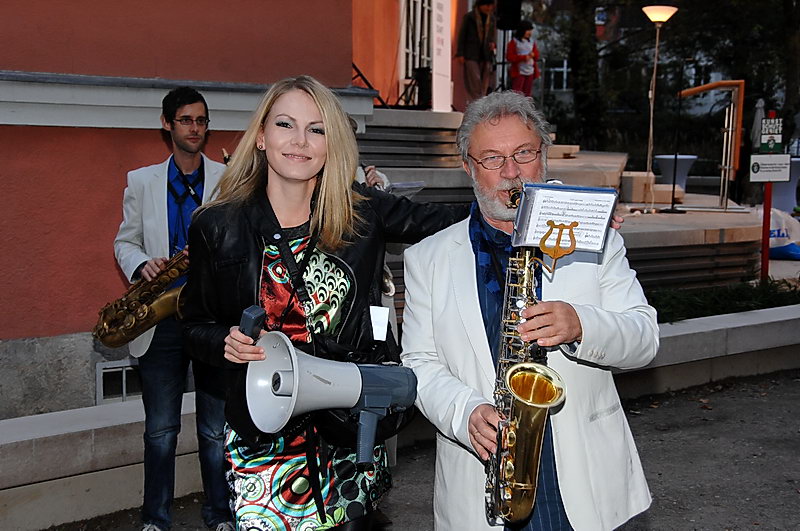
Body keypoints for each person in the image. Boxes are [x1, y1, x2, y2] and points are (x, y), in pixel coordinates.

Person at [180, 75, 465, 530]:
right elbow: (194, 326)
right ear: (261, 136)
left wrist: (533, 205)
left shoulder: (363, 211)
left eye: (316, 129)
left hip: (348, 428)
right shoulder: (216, 225)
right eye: (285, 124)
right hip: (263, 433)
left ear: (332, 144)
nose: (300, 141)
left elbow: (455, 221)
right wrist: (225, 343)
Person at [400, 91, 659, 530]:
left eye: (524, 153)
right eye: (492, 158)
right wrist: (465, 412)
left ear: (544, 155)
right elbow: (419, 363)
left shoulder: (594, 236)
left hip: (586, 486)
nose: (511, 172)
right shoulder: (427, 258)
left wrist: (582, 325)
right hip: (482, 481)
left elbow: (645, 339)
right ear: (467, 166)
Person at [113, 87, 232, 531]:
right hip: (161, 320)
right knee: (160, 431)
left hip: (212, 318)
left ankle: (219, 514)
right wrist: (142, 263)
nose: (195, 128)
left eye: (201, 120)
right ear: (167, 124)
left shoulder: (228, 179)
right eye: (186, 120)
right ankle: (155, 520)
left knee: (215, 431)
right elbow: (124, 241)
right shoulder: (142, 181)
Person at [456, 0, 497, 103]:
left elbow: (493, 35)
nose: (489, 8)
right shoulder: (469, 17)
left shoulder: (492, 19)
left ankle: (481, 103)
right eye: (487, 5)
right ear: (480, 5)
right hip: (471, 53)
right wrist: (460, 53)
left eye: (491, 6)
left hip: (486, 54)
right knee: (474, 80)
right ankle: (475, 103)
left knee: (485, 82)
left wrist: (493, 44)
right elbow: (462, 35)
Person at [506, 20, 540, 98]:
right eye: (527, 30)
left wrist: (533, 55)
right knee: (517, 91)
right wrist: (523, 57)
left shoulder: (531, 42)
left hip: (530, 70)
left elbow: (536, 55)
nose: (529, 33)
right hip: (519, 71)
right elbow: (510, 57)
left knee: (527, 92)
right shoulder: (514, 42)